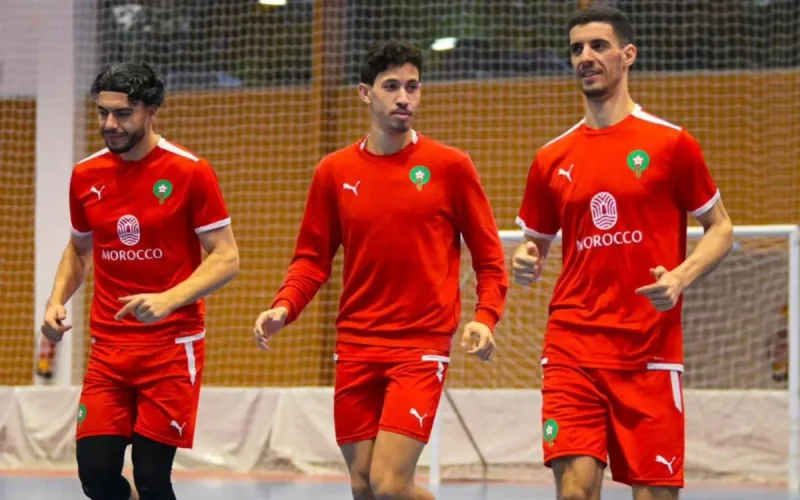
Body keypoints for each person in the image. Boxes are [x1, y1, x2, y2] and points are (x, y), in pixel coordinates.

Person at [253, 40, 508, 500]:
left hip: (420, 344)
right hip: (356, 342)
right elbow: (312, 258)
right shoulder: (333, 171)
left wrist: (485, 317)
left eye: (412, 86)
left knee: (390, 485)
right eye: (391, 86)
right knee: (361, 484)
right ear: (365, 93)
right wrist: (284, 306)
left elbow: (490, 259)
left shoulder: (451, 167)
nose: (404, 97)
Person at [512, 7, 733, 500]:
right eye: (576, 49)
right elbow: (536, 245)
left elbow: (720, 229)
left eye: (598, 46)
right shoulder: (552, 157)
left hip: (648, 352)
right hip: (573, 346)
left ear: (628, 55)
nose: (585, 58)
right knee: (575, 490)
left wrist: (679, 277)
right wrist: (526, 260)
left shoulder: (672, 143)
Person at [40, 62, 240, 500]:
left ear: (152, 111)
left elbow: (226, 258)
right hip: (109, 350)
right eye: (102, 112)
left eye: (123, 113)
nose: (109, 124)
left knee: (151, 477)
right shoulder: (86, 175)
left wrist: (170, 299)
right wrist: (56, 300)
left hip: (170, 348)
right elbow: (79, 248)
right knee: (96, 475)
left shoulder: (190, 171)